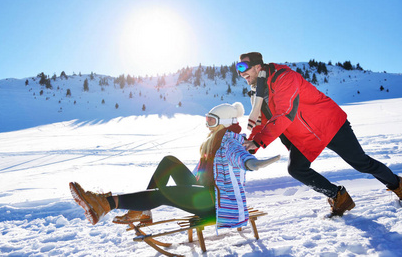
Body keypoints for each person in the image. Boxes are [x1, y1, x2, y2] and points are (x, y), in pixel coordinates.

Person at [236, 52, 402, 217]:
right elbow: (262, 121)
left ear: (258, 66)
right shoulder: (258, 93)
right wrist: (251, 144)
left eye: (243, 66)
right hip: (305, 136)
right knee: (296, 169)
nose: (240, 72)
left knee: (361, 163)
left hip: (329, 125)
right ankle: (339, 197)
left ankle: (398, 185)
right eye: (237, 67)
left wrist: (258, 142)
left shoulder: (284, 77)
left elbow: (285, 113)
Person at [69, 102, 280, 227]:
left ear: (224, 123)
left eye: (212, 121)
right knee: (168, 162)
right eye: (207, 120)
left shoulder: (231, 141)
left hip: (213, 202)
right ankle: (143, 211)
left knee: (164, 193)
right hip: (202, 189)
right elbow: (205, 169)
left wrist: (253, 163)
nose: (207, 125)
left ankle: (105, 204)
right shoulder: (213, 139)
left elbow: (241, 157)